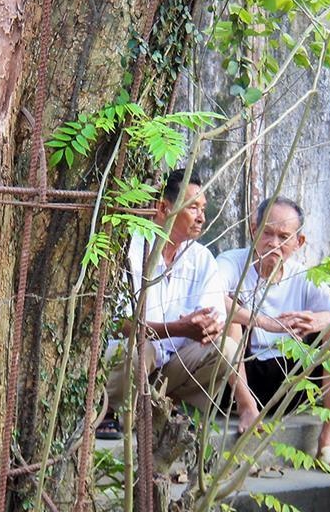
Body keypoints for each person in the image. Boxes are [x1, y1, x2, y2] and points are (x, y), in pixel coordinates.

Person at [98, 169, 259, 439]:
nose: (202, 217)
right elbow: (117, 324)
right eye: (193, 207)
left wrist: (205, 326)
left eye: (203, 208)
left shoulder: (201, 258)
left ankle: (169, 408)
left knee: (226, 347)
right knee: (143, 349)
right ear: (163, 208)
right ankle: (112, 410)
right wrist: (178, 328)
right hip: (130, 364)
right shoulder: (130, 249)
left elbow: (213, 317)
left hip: (171, 367)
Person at [215, 197, 330, 469]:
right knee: (230, 319)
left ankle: (328, 443)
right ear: (253, 230)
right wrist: (265, 322)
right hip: (241, 378)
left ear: (299, 242)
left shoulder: (303, 276)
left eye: (284, 236)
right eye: (267, 233)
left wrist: (324, 318)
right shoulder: (232, 263)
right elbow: (212, 299)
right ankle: (247, 407)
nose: (273, 243)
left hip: (290, 381)